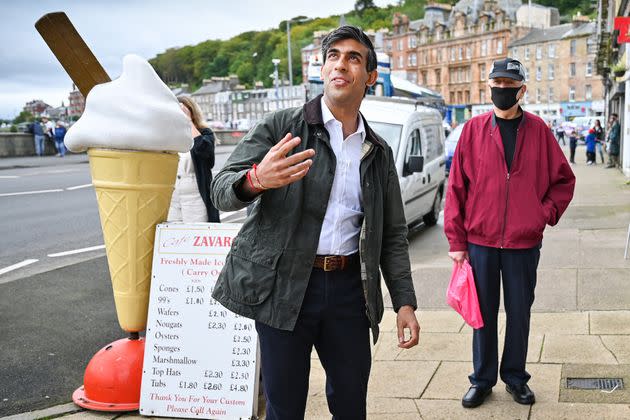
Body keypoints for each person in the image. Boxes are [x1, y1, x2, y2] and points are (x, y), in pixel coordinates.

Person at [210, 25, 420, 419]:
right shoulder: (283, 127)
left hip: (349, 292)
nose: (342, 64)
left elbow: (392, 234)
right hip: (285, 286)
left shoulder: (378, 151)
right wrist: (256, 179)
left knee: (350, 403)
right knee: (284, 407)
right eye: (334, 56)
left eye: (354, 57)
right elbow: (220, 188)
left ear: (370, 77)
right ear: (322, 70)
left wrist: (404, 302)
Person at [444, 57, 575, 409]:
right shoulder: (472, 130)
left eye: (509, 84)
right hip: (480, 242)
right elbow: (455, 188)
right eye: (497, 84)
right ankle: (482, 380)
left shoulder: (540, 131)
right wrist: (457, 242)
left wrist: (542, 214)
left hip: (523, 242)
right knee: (482, 314)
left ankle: (515, 378)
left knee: (520, 313)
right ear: (489, 88)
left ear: (522, 90)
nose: (502, 90)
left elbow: (564, 180)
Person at [167, 96, 220, 222]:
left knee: (196, 233)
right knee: (172, 235)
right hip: (172, 195)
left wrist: (188, 122)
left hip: (195, 195)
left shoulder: (204, 133)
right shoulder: (169, 134)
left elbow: (204, 152)